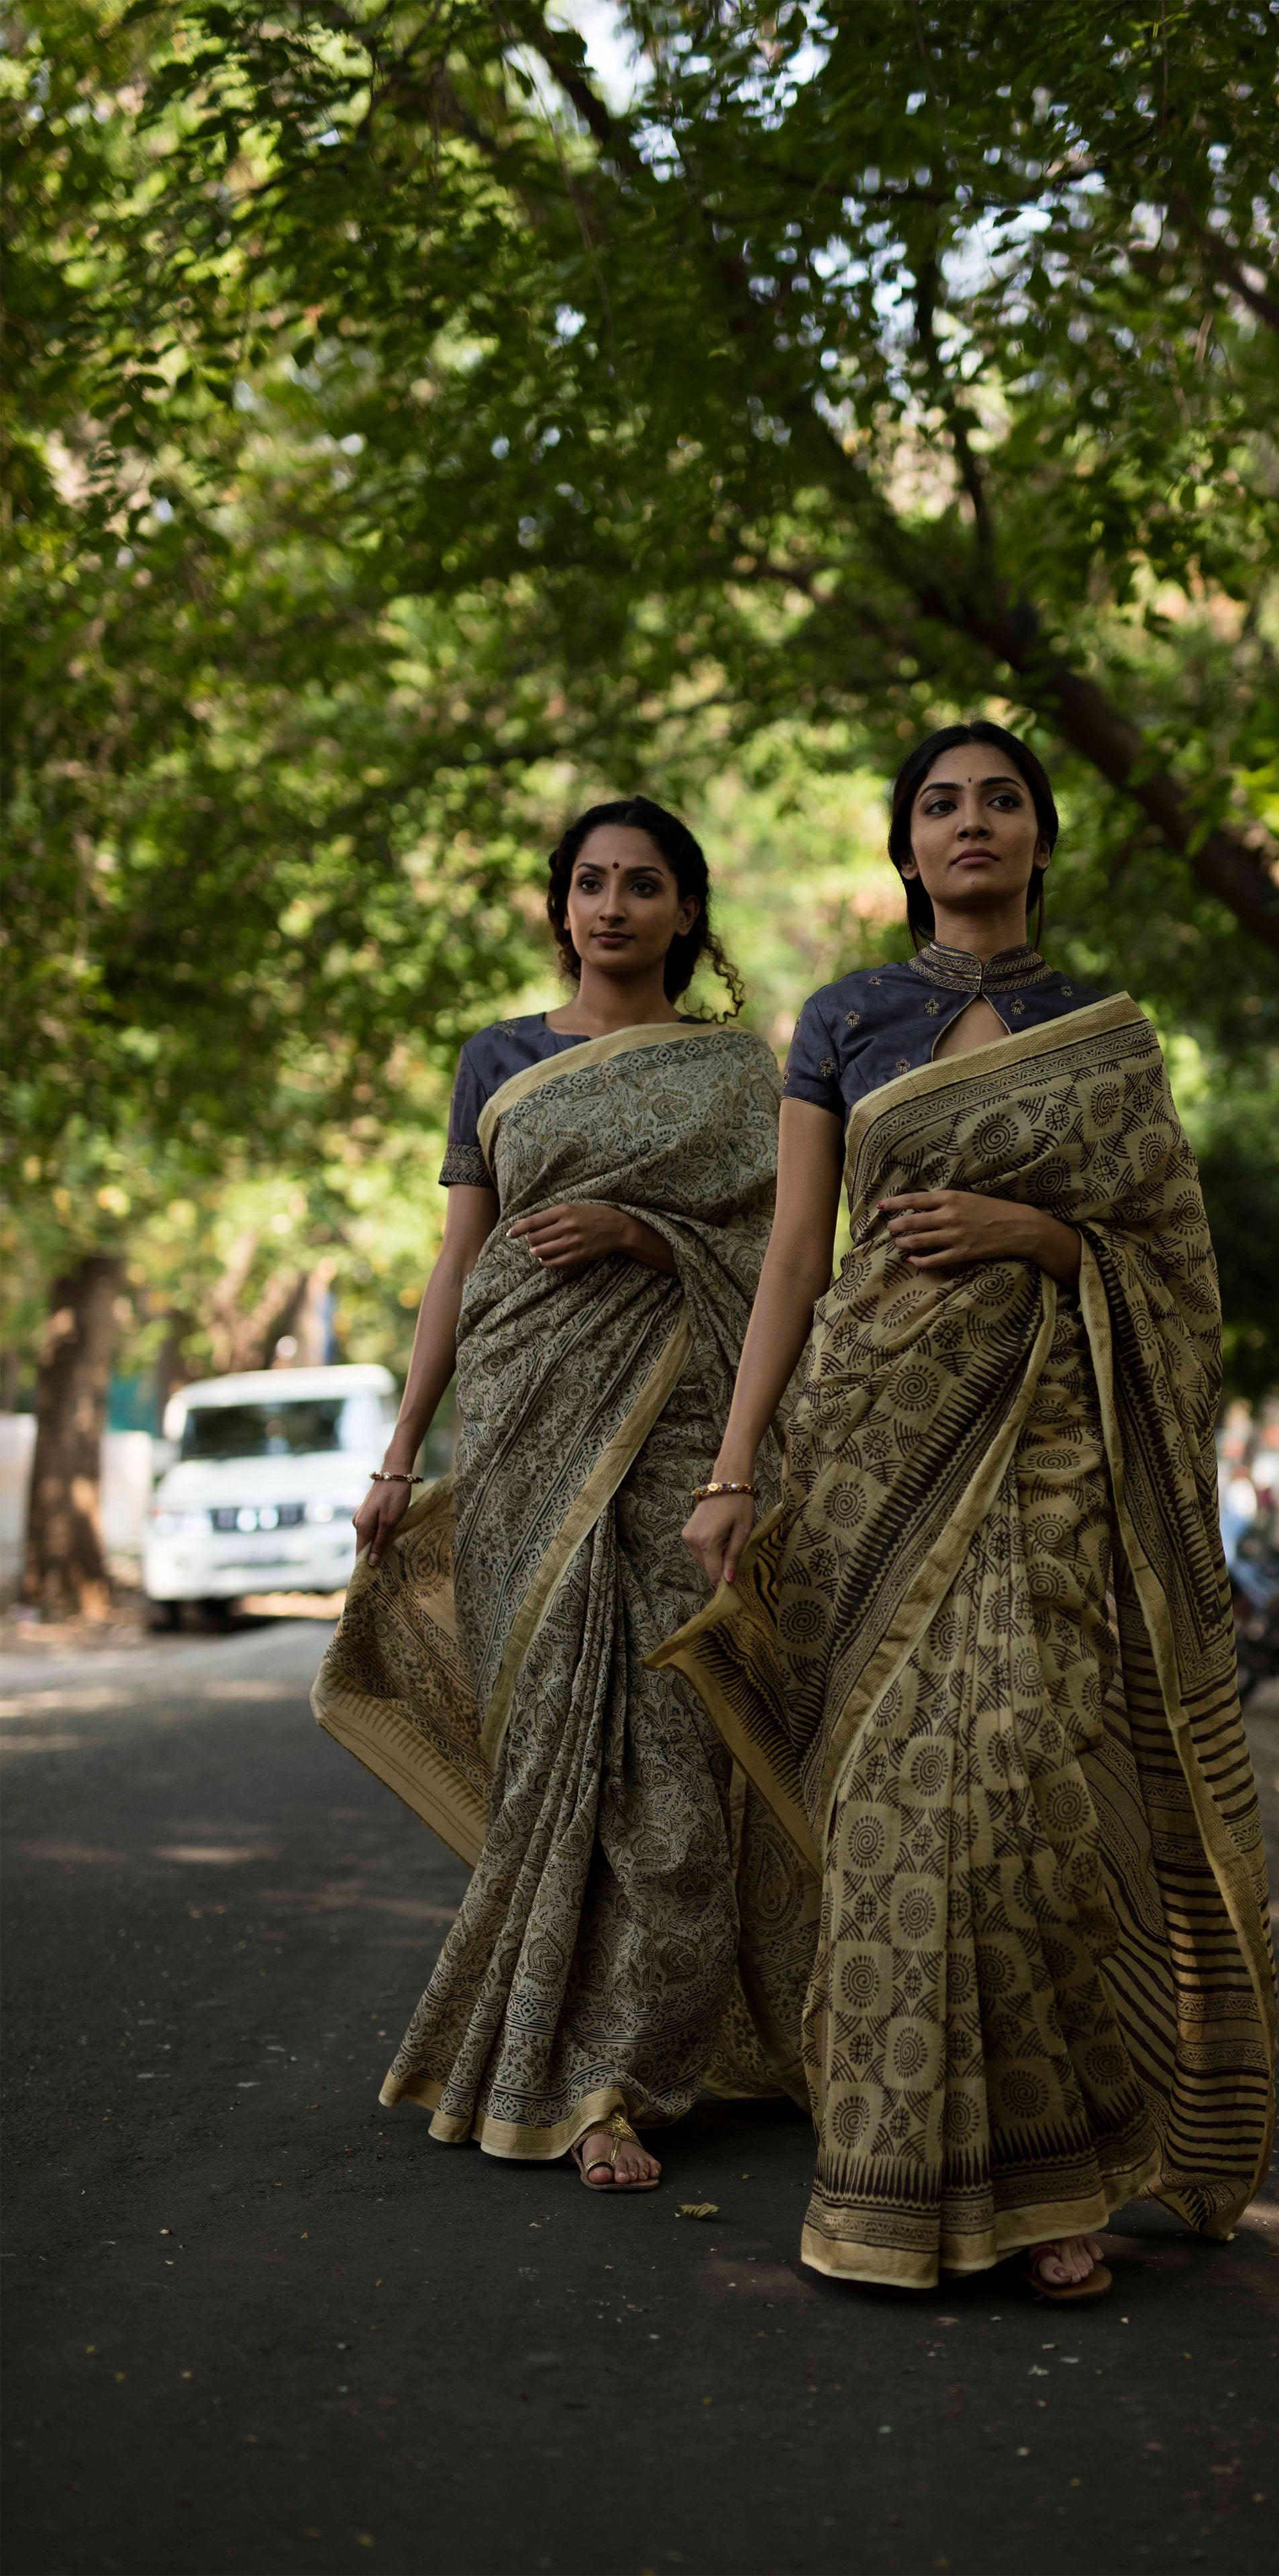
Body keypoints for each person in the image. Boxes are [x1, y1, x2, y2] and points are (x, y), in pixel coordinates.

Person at [658, 722, 1276, 2297]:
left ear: (1040, 838)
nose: (970, 824)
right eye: (940, 805)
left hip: (1052, 1448)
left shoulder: (1105, 1033)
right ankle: (886, 2176)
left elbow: (1171, 1267)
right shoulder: (844, 1023)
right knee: (889, 1812)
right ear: (905, 847)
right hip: (869, 1439)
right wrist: (734, 1473)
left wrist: (1040, 1237)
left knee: (1032, 1780)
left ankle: (1058, 2182)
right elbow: (799, 1257)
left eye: (1000, 800)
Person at [313, 797, 815, 2192]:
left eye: (641, 886)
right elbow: (457, 1266)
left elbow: (778, 1260)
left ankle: (625, 2082)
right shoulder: (502, 1060)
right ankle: (569, 2054)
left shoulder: (729, 1073)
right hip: (525, 1436)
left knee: (668, 1764)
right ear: (559, 906)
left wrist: (646, 1235)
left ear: (683, 911)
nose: (610, 908)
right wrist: (403, 1452)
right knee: (550, 1760)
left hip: (672, 1444)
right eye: (588, 884)